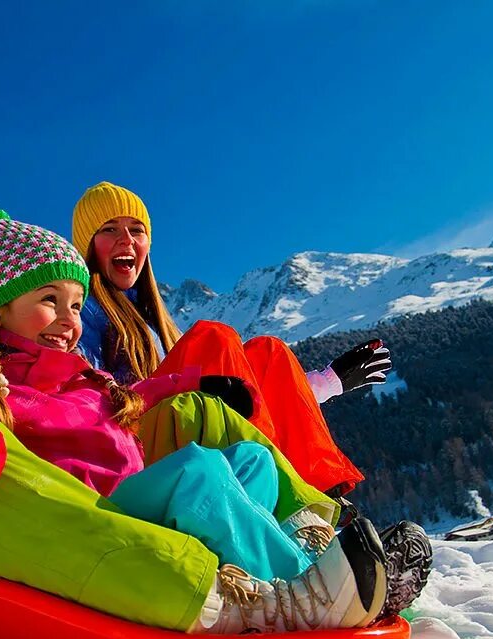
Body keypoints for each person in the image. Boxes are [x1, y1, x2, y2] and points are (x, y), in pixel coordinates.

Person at [0, 208, 399, 634]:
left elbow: (126, 397)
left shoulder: (67, 369)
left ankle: (315, 533)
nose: (69, 320)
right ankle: (306, 588)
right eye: (49, 300)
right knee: (198, 474)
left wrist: (193, 384)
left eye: (76, 304)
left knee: (246, 457)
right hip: (84, 516)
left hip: (124, 495)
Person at [71, 181, 391, 497]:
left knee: (267, 351)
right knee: (212, 337)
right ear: (89, 245)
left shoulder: (153, 321)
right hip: (134, 443)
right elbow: (87, 396)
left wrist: (327, 382)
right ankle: (274, 485)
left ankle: (325, 495)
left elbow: (242, 393)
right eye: (110, 229)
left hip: (180, 424)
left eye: (136, 230)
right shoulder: (83, 309)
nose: (126, 239)